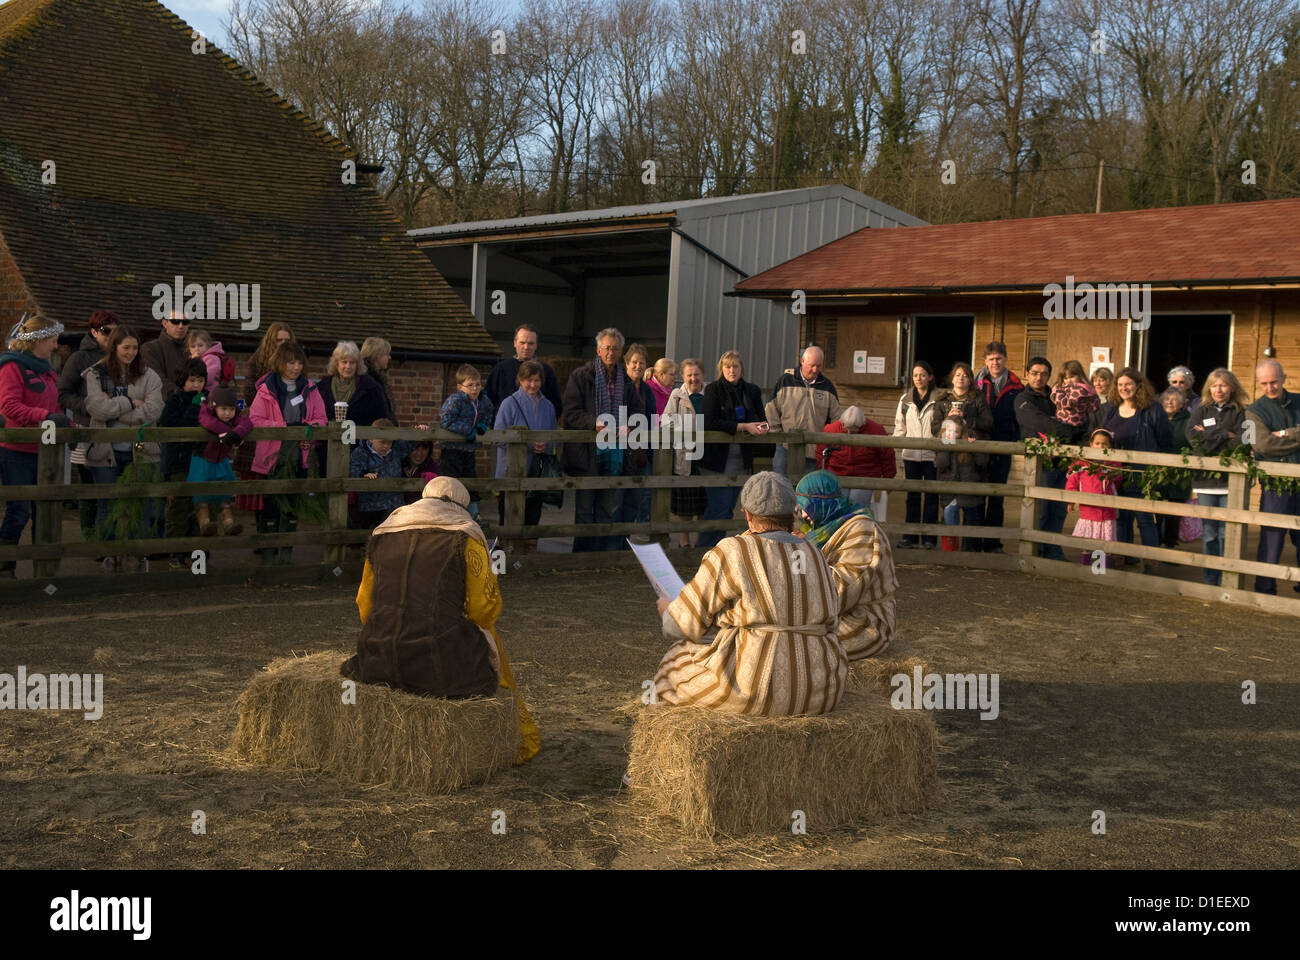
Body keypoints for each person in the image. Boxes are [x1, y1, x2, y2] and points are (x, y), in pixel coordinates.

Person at [340, 476, 539, 764]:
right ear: (462, 506)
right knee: (490, 638)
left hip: (376, 660)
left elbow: (364, 607)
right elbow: (484, 610)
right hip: (441, 668)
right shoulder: (465, 536)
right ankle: (521, 742)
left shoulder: (382, 534)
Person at [651, 472, 846, 715]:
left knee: (672, 665)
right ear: (792, 514)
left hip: (754, 690)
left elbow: (680, 626)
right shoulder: (815, 554)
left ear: (748, 514)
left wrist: (668, 611)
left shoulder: (733, 550)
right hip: (822, 692)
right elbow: (833, 623)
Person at [83, 325, 165, 572]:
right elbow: (96, 408)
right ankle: (109, 555)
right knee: (107, 504)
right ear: (114, 347)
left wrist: (118, 412)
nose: (130, 352)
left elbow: (154, 410)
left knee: (140, 504)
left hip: (140, 450)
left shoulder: (149, 376)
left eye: (134, 347)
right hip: (105, 450)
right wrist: (129, 401)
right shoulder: (96, 374)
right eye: (125, 347)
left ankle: (137, 555)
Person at [794, 470, 897, 660]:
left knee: (798, 646)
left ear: (823, 502)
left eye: (807, 506)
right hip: (831, 613)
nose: (804, 514)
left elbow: (843, 590)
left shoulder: (863, 530)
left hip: (864, 621)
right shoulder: (817, 531)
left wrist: (803, 552)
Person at [561, 328, 645, 552]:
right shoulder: (581, 376)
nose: (611, 352)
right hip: (588, 453)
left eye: (616, 348)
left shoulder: (625, 380)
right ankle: (582, 556)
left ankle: (603, 556)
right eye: (607, 348)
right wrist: (594, 423)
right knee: (585, 509)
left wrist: (630, 424)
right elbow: (570, 413)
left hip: (616, 453)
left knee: (610, 508)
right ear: (598, 350)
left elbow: (638, 410)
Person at [0, 315, 70, 577]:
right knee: (19, 509)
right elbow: (9, 407)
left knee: (45, 509)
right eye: (52, 340)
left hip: (44, 451)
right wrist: (45, 418)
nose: (55, 346)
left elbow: (53, 406)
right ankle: (5, 566)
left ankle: (44, 570)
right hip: (16, 450)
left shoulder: (44, 369)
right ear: (38, 340)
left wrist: (68, 426)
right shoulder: (12, 367)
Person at [249, 341, 327, 565]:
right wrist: (282, 427)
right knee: (271, 503)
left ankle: (286, 555)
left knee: (293, 504)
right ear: (280, 362)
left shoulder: (310, 388)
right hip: (272, 453)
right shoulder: (266, 389)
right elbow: (255, 420)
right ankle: (268, 555)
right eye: (291, 362)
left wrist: (307, 430)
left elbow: (320, 418)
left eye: (299, 362)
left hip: (299, 452)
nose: (296, 367)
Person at [697, 350, 770, 549]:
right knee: (718, 508)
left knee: (729, 508)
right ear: (721, 369)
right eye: (727, 366)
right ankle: (705, 550)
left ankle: (718, 550)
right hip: (716, 461)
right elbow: (710, 422)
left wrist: (763, 427)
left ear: (741, 369)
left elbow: (761, 417)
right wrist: (742, 427)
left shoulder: (752, 391)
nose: (732, 370)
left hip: (742, 461)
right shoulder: (713, 390)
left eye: (735, 366)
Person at [57, 309, 118, 539]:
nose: (111, 335)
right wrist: (89, 406)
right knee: (90, 487)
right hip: (87, 428)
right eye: (106, 331)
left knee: (110, 488)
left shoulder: (122, 355)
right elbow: (63, 394)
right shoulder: (79, 358)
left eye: (115, 331)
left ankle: (107, 537)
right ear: (93, 331)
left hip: (115, 429)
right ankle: (90, 537)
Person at [1104, 367, 1172, 571]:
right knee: (1121, 517)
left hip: (1143, 474)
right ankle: (1125, 556)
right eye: (1120, 384)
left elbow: (1165, 441)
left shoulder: (1153, 410)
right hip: (1117, 473)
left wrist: (1162, 469)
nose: (1124, 388)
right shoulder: (1112, 409)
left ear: (1138, 386)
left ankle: (1151, 560)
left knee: (1145, 519)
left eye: (1128, 384)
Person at [1016, 356, 1082, 561]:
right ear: (1027, 374)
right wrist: (1073, 432)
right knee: (1041, 508)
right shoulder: (1022, 399)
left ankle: (1052, 549)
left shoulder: (1056, 397)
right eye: (1035, 373)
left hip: (1060, 460)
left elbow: (1071, 415)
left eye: (1044, 374)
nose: (1039, 377)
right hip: (1040, 462)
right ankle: (1035, 551)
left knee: (1058, 509)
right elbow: (1040, 423)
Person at [1186, 368, 1248, 586]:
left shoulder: (1242, 412)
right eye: (1214, 385)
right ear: (1208, 388)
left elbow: (1246, 440)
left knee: (1226, 533)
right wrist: (1225, 435)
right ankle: (1211, 578)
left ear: (1232, 388)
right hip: (1206, 481)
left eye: (1223, 385)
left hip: (1231, 483)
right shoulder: (1201, 409)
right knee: (1210, 532)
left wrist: (1209, 435)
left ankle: (1227, 577)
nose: (1218, 390)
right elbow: (1193, 438)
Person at [1244, 359, 1300, 595]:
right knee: (1272, 536)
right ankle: (1265, 586)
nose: (1270, 387)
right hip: (1275, 483)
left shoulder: (1299, 401)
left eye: (1274, 382)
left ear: (1284, 378)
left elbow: (1273, 442)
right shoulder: (1253, 411)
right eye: (1264, 383)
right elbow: (1264, 445)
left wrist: (1286, 433)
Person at [235, 323, 295, 516]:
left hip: (288, 427)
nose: (283, 344)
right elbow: (251, 395)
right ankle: (263, 537)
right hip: (264, 427)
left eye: (286, 340)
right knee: (262, 488)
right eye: (279, 340)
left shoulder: (295, 363)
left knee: (284, 487)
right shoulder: (258, 362)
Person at [493, 360, 558, 533]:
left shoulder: (549, 407)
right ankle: (507, 556)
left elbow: (554, 437)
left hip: (536, 473)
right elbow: (498, 437)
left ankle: (527, 558)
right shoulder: (509, 404)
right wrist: (528, 445)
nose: (533, 384)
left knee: (532, 520)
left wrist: (547, 445)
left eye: (537, 380)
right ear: (520, 380)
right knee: (507, 521)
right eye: (528, 380)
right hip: (510, 472)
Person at [158, 359, 209, 568]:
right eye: (192, 380)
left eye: (200, 380)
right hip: (178, 462)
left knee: (200, 508)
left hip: (201, 461)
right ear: (183, 380)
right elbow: (169, 425)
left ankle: (199, 554)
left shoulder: (207, 400)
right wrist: (193, 408)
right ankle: (175, 552)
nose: (196, 384)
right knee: (178, 509)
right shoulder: (175, 400)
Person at [975, 342, 1023, 552]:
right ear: (985, 360)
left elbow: (1019, 416)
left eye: (999, 358)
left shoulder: (1016, 385)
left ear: (1005, 359)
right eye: (991, 359)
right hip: (979, 445)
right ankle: (973, 541)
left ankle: (993, 543)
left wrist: (1015, 439)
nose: (995, 362)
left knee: (997, 495)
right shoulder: (976, 383)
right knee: (976, 494)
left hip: (1003, 445)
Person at [766, 345, 841, 476]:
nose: (815, 369)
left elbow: (837, 417)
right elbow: (770, 408)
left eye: (819, 366)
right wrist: (778, 435)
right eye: (812, 365)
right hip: (785, 448)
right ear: (802, 361)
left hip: (814, 451)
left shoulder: (828, 387)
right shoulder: (785, 381)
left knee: (808, 492)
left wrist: (826, 441)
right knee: (780, 486)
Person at [191, 385, 253, 536]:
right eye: (223, 409)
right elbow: (208, 422)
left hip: (221, 462)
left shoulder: (234, 417)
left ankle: (228, 524)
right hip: (203, 461)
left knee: (224, 494)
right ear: (214, 406)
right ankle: (204, 524)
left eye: (231, 409)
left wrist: (236, 434)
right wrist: (227, 431)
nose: (227, 413)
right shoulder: (206, 412)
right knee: (202, 496)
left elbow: (247, 423)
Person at [894, 360, 940, 548]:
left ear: (930, 377)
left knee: (931, 497)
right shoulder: (905, 400)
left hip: (932, 456)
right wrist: (896, 448)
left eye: (922, 375)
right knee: (912, 497)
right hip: (911, 455)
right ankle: (910, 537)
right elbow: (900, 426)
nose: (918, 379)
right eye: (915, 375)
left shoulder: (939, 399)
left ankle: (929, 539)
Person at [350, 417, 427, 530]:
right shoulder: (361, 453)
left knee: (392, 533)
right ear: (371, 438)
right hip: (371, 504)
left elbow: (410, 444)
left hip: (393, 502)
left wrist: (419, 431)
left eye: (389, 442)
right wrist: (363, 475)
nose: (386, 446)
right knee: (371, 534)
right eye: (382, 442)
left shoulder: (396, 450)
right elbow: (354, 470)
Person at [815, 405, 895, 511]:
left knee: (856, 505)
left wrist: (889, 479)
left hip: (865, 476)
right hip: (838, 475)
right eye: (846, 429)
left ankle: (857, 525)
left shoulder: (876, 430)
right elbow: (821, 453)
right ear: (842, 422)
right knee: (838, 504)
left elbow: (887, 456)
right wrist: (824, 474)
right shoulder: (831, 429)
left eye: (854, 430)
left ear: (862, 424)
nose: (849, 433)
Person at [663, 357, 707, 547]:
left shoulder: (709, 394)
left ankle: (701, 540)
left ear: (702, 375)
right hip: (684, 453)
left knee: (704, 500)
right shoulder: (676, 395)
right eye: (689, 375)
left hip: (706, 454)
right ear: (683, 376)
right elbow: (666, 421)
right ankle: (684, 540)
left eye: (696, 374)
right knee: (685, 502)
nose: (693, 378)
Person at [439, 364, 494, 508]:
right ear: (460, 387)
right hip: (452, 449)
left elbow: (489, 414)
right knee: (451, 482)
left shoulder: (483, 400)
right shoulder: (455, 400)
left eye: (477, 384)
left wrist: (483, 425)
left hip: (469, 449)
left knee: (470, 480)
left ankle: (473, 512)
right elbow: (446, 421)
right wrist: (468, 430)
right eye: (470, 385)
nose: (475, 388)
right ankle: (449, 510)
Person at [1065, 428, 1122, 566]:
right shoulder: (1082, 464)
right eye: (1097, 443)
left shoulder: (1113, 464)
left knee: (1104, 543)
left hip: (1107, 511)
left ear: (1110, 446)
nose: (1100, 447)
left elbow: (1118, 481)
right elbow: (1072, 481)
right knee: (1088, 543)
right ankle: (1085, 567)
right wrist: (1071, 500)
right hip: (1088, 510)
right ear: (1091, 444)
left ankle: (1100, 569)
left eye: (1105, 444)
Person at [934, 415, 988, 551]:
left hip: (968, 489)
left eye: (956, 432)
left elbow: (982, 462)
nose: (952, 435)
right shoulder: (942, 445)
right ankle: (952, 545)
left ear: (962, 433)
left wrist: (975, 448)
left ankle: (969, 549)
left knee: (971, 518)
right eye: (949, 431)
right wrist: (945, 448)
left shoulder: (968, 445)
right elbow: (941, 464)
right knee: (949, 513)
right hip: (950, 490)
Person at [484, 324, 562, 414]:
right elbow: (487, 401)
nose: (526, 347)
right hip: (504, 426)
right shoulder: (500, 369)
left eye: (530, 343)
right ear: (515, 343)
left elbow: (556, 405)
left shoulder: (546, 371)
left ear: (536, 345)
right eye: (522, 343)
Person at [620, 344, 656, 537]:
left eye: (642, 362)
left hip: (642, 450)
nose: (638, 366)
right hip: (622, 449)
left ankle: (627, 538)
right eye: (634, 362)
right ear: (626, 363)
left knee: (639, 495)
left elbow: (651, 418)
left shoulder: (647, 390)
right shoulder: (620, 387)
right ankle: (617, 540)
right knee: (619, 495)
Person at [317, 341, 386, 427]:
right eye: (344, 362)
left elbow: (381, 418)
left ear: (357, 365)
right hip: (326, 438)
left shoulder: (371, 388)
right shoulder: (321, 387)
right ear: (336, 363)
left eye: (352, 362)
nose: (348, 366)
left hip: (360, 438)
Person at [1157, 387, 1193, 550]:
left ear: (1182, 404)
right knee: (1157, 512)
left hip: (1179, 476)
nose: (1170, 402)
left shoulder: (1189, 421)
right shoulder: (1157, 418)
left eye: (1174, 399)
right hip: (1158, 473)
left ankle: (1170, 547)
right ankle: (1155, 545)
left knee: (1173, 514)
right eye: (1166, 399)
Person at [932, 361, 994, 439]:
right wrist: (948, 419)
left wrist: (966, 418)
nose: (961, 378)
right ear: (952, 379)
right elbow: (934, 429)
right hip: (946, 446)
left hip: (971, 446)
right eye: (957, 375)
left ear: (970, 381)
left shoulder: (978, 399)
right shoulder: (942, 400)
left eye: (965, 376)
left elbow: (989, 424)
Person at [140, 309, 191, 387]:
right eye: (175, 321)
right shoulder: (150, 349)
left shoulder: (196, 349)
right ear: (165, 323)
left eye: (185, 322)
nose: (181, 326)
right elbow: (156, 381)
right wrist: (182, 396)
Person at [1051, 359, 1101, 430]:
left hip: (1071, 423)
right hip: (1066, 421)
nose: (1069, 380)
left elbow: (1067, 404)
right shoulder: (1068, 388)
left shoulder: (1079, 389)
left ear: (1079, 375)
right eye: (1065, 378)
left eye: (1071, 377)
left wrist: (1056, 391)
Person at [360, 337, 398, 424]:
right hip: (372, 433)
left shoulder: (378, 378)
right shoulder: (368, 381)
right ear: (377, 356)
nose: (389, 357)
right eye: (387, 354)